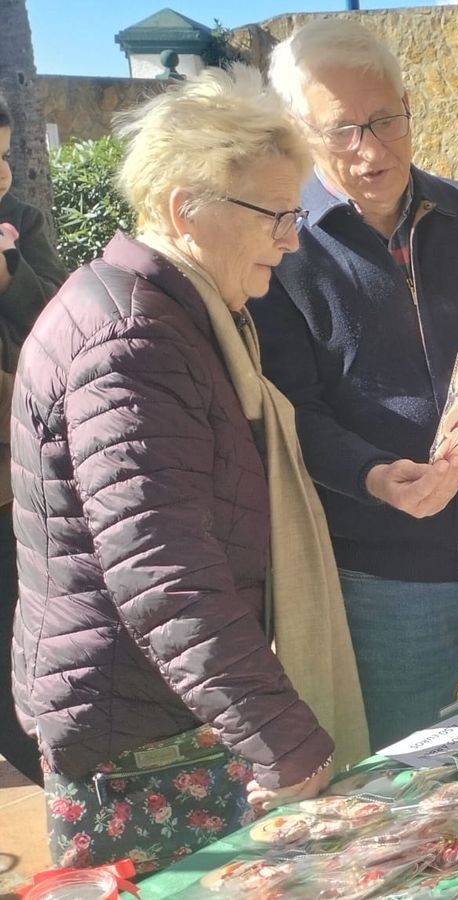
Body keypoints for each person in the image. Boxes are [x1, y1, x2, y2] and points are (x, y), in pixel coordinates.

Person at [10, 68, 366, 873]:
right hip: (136, 740)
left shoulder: (169, 312)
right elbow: (164, 573)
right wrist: (284, 738)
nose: (292, 237)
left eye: (295, 213)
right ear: (185, 210)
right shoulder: (133, 344)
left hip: (156, 709)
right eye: (276, 215)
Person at [253, 20, 458, 750]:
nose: (371, 151)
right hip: (388, 583)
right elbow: (288, 415)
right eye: (341, 131)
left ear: (408, 105)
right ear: (300, 134)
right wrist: (373, 477)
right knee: (406, 791)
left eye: (386, 121)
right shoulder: (280, 253)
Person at [0, 92, 66, 787]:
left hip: (18, 458)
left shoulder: (23, 223)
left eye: (3, 158)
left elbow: (55, 309)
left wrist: (9, 277)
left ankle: (34, 768)